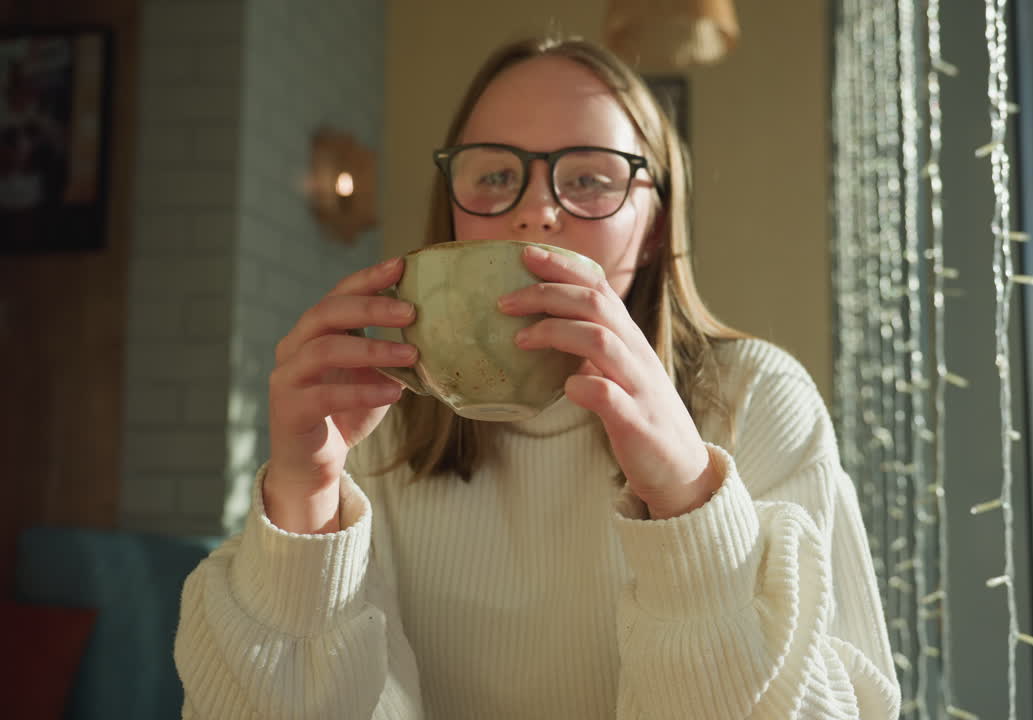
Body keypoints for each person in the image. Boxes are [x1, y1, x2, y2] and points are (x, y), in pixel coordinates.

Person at [174, 35, 899, 720]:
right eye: (493, 175)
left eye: (588, 178)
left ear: (652, 227)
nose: (536, 212)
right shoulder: (368, 422)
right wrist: (303, 504)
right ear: (453, 219)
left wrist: (685, 500)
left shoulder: (756, 402)